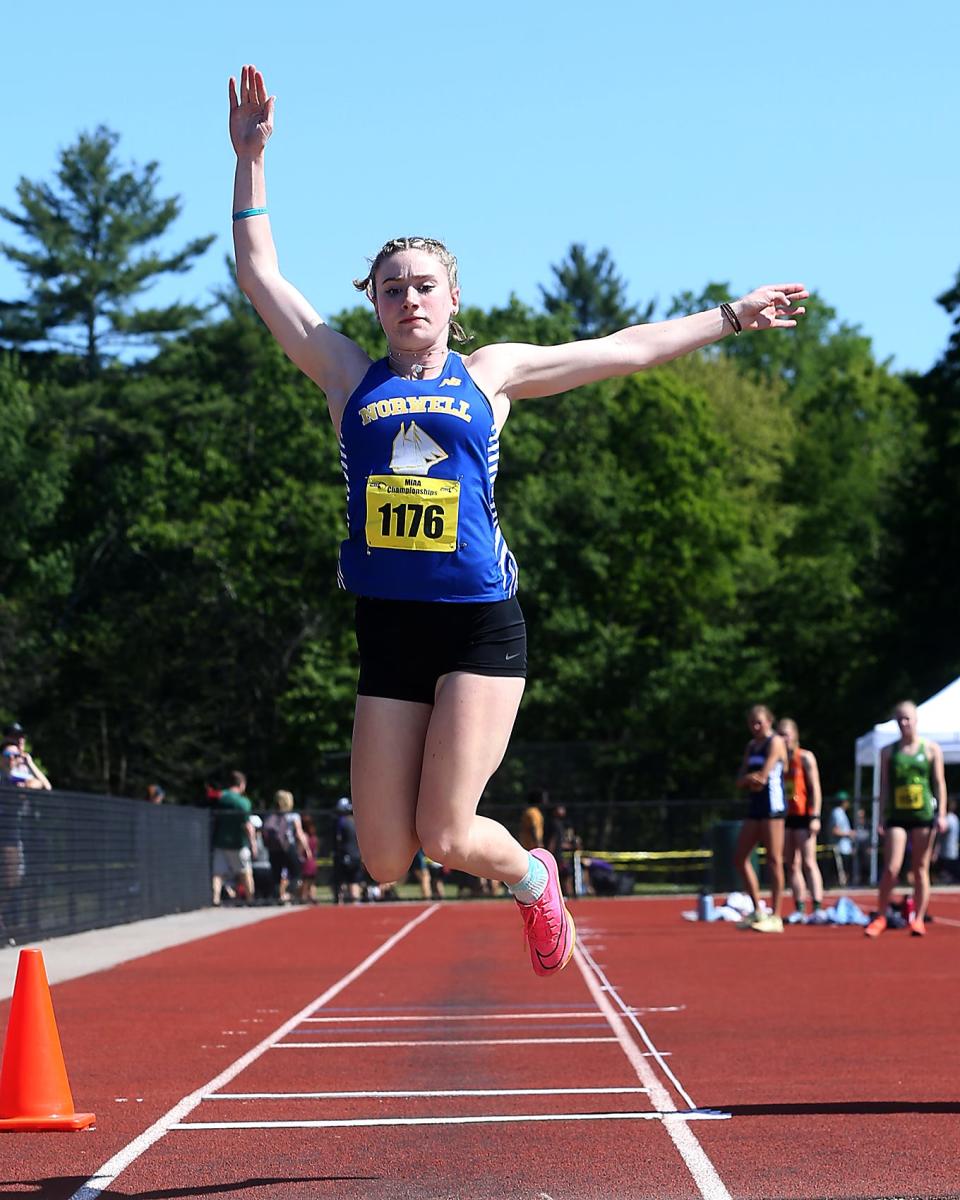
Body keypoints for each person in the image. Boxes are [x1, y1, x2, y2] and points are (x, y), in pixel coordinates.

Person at [228, 63, 807, 974]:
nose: (409, 299)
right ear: (371, 304)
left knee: (448, 830)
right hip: (388, 628)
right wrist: (251, 159)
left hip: (477, 627)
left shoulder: (489, 373)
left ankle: (535, 881)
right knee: (384, 858)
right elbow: (259, 273)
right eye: (391, 288)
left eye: (425, 285)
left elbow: (622, 350)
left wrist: (731, 315)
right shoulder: (344, 374)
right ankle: (522, 868)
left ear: (453, 301)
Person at [865, 701, 948, 938]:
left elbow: (939, 783)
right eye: (899, 719)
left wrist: (940, 813)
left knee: (920, 868)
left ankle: (918, 919)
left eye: (907, 719)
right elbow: (884, 786)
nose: (904, 723)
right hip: (897, 816)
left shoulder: (931, 749)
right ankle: (881, 916)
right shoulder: (888, 752)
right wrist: (880, 817)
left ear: (916, 720)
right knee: (892, 868)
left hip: (923, 814)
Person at [733, 705, 789, 933]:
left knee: (774, 860)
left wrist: (751, 779)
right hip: (755, 807)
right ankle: (758, 909)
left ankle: (776, 916)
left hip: (772, 807)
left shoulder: (775, 742)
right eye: (752, 723)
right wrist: (749, 779)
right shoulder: (752, 746)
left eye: (760, 722)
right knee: (739, 858)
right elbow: (740, 780)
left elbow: (762, 778)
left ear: (769, 721)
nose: (756, 727)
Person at [776, 718, 825, 924]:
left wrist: (815, 816)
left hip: (805, 815)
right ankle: (799, 907)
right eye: (780, 735)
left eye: (786, 734)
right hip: (786, 817)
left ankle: (818, 907)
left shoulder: (805, 757)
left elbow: (815, 789)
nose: (783, 739)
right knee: (791, 864)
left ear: (794, 735)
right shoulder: (777, 761)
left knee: (808, 861)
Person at [211, 770, 256, 906]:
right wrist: (253, 843)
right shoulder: (243, 802)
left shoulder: (219, 797)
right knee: (245, 872)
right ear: (241, 784)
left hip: (220, 841)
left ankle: (215, 899)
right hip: (238, 843)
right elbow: (248, 825)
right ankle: (250, 899)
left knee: (217, 873)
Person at [263, 789, 312, 904]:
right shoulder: (293, 816)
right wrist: (307, 849)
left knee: (276, 875)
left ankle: (276, 898)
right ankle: (287, 894)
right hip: (288, 847)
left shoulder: (270, 815)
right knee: (297, 874)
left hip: (273, 848)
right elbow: (299, 833)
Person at [331, 796, 363, 904]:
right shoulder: (356, 821)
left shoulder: (341, 822)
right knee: (354, 882)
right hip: (356, 856)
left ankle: (340, 905)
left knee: (340, 883)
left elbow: (338, 839)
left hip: (344, 856)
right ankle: (356, 905)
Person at [829, 791, 855, 886]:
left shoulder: (842, 813)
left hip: (846, 848)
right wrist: (849, 833)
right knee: (840, 872)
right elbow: (835, 830)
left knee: (846, 871)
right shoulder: (837, 813)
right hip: (840, 848)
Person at [934, 798, 959, 884]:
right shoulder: (955, 818)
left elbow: (939, 834)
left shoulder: (947, 819)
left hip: (945, 852)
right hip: (953, 851)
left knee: (945, 874)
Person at [298, 812, 319, 902]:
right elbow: (317, 849)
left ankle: (303, 897)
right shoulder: (314, 837)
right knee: (312, 881)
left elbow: (300, 850)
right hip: (313, 861)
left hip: (307, 861)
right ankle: (312, 897)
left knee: (305, 881)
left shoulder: (304, 836)